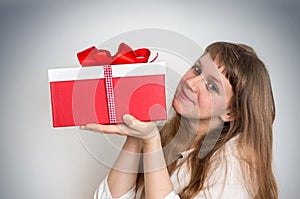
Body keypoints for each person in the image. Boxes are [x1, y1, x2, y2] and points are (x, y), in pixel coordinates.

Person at [80, 41, 278, 199]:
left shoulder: (235, 169)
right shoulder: (167, 136)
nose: (191, 83)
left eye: (212, 86)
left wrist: (150, 141)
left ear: (231, 112)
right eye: (197, 70)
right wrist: (135, 136)